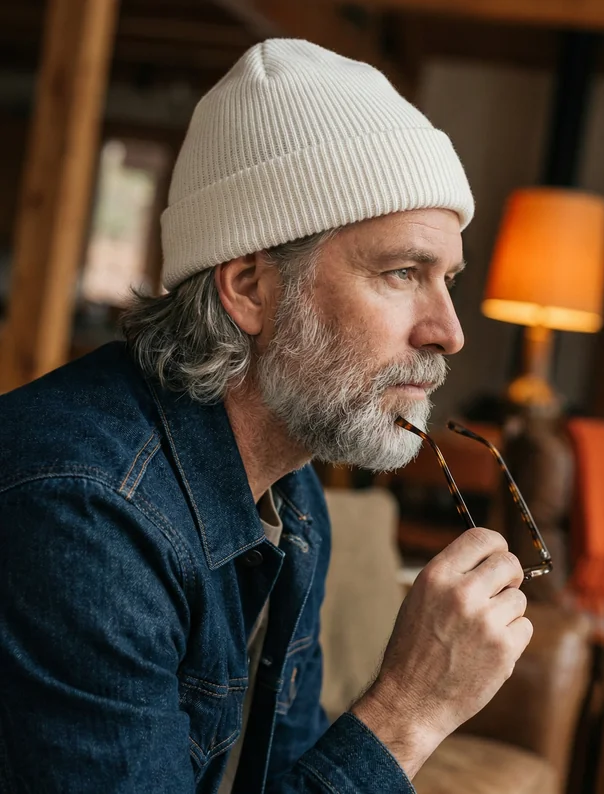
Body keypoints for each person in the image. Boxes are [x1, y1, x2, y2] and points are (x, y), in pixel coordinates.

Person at [0, 39, 532, 793]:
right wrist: (410, 707)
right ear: (248, 286)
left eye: (446, 278)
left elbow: (284, 772)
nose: (449, 331)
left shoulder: (289, 490)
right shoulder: (83, 516)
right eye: (403, 272)